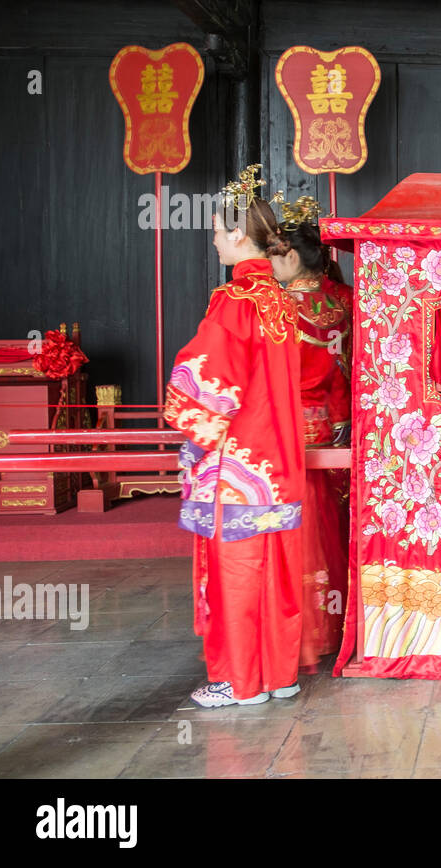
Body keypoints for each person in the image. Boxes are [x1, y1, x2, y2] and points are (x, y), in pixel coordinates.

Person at [164, 164, 305, 708]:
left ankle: (240, 681)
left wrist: (184, 402)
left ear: (239, 234)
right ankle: (278, 674)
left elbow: (208, 378)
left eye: (220, 231)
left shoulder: (233, 300)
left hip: (240, 464)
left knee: (237, 572)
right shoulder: (281, 303)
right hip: (279, 458)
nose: (217, 241)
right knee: (277, 570)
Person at [268, 195, 350, 673]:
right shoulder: (344, 299)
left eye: (275, 254)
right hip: (342, 428)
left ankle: (303, 631)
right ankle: (340, 622)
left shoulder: (279, 307)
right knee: (334, 527)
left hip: (293, 430)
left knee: (301, 532)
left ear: (293, 256)